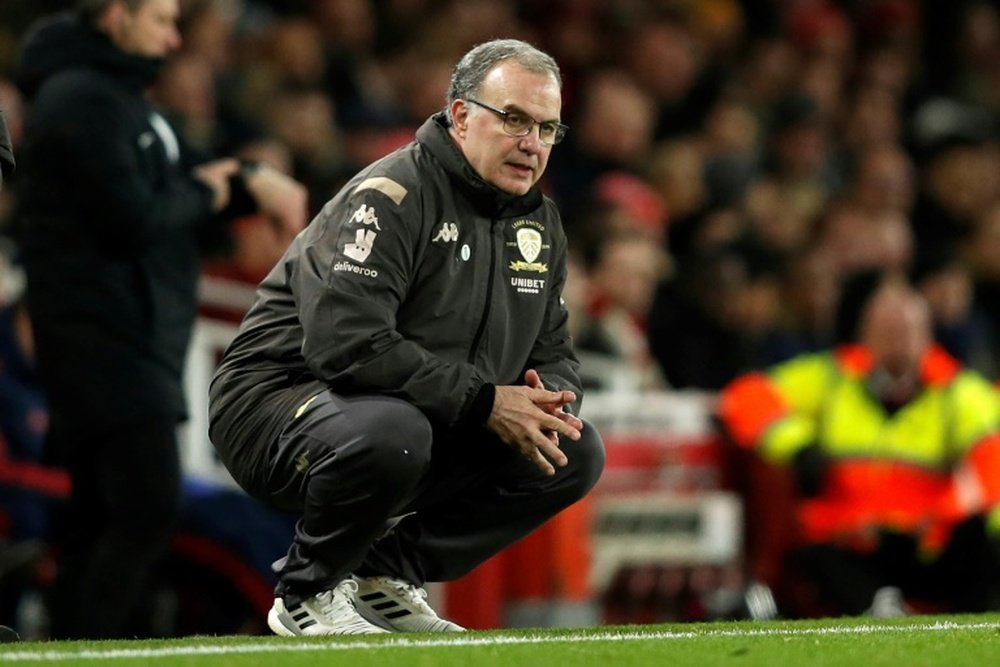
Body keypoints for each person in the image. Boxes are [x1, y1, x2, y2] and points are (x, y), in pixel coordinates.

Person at [208, 38, 605, 636]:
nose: (532, 143)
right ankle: (307, 591)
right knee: (395, 432)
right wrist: (485, 402)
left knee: (570, 449)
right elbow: (348, 346)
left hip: (412, 412)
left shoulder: (539, 223)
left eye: (548, 129)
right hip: (276, 405)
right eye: (516, 119)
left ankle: (385, 574)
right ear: (462, 115)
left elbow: (551, 349)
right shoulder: (393, 195)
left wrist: (544, 400)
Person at [12, 0, 308, 639]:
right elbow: (135, 215)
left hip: (130, 337)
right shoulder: (79, 98)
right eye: (162, 20)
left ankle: (74, 644)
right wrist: (225, 183)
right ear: (117, 15)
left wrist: (240, 180)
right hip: (106, 338)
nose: (174, 39)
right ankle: (85, 645)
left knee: (102, 513)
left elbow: (169, 198)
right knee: (146, 506)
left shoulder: (117, 101)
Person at [718, 279, 1000, 617]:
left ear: (927, 335)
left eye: (908, 330)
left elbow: (990, 460)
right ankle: (880, 611)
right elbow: (746, 396)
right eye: (888, 330)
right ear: (866, 334)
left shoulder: (957, 392)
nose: (900, 341)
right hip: (849, 536)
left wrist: (943, 517)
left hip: (924, 539)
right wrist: (797, 445)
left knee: (979, 541)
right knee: (814, 556)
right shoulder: (833, 378)